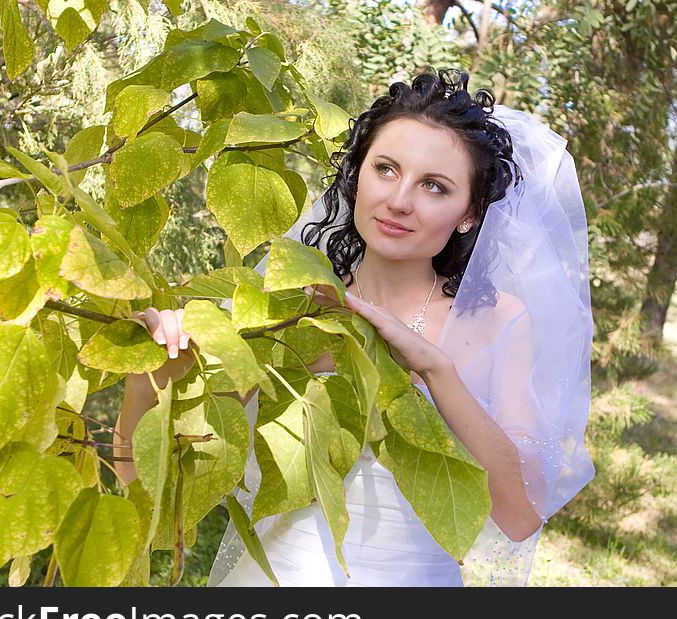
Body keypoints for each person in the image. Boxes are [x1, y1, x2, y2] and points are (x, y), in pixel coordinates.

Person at [113, 68, 595, 587]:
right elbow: (149, 485)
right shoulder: (289, 304)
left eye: (434, 186)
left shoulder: (501, 319)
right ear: (357, 174)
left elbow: (519, 518)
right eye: (386, 169)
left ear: (469, 214)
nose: (400, 199)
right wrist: (149, 379)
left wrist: (437, 370)